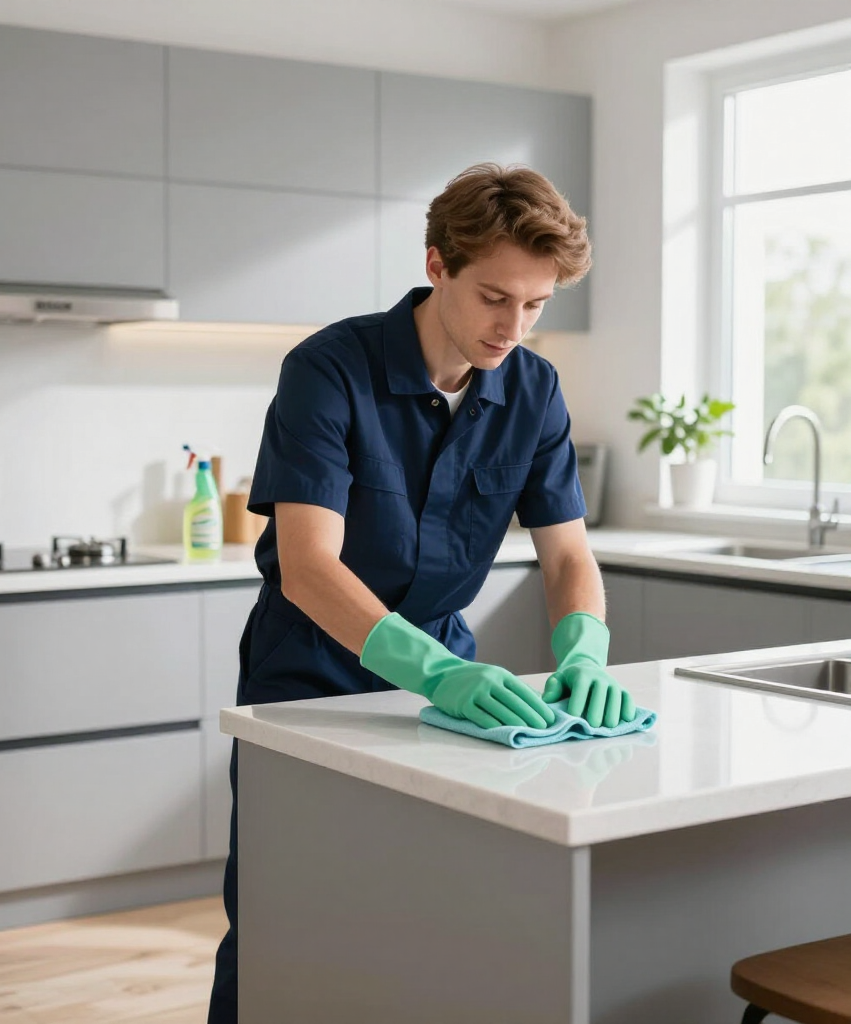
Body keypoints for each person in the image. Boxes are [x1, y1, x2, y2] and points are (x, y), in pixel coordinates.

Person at [206, 162, 635, 1023]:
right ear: (437, 263)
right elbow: (309, 565)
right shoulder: (330, 368)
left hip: (447, 680)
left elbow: (565, 558)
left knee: (428, 906)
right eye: (494, 297)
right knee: (285, 912)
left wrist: (584, 645)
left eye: (538, 305)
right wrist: (437, 673)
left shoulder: (534, 389)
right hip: (310, 676)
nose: (514, 326)